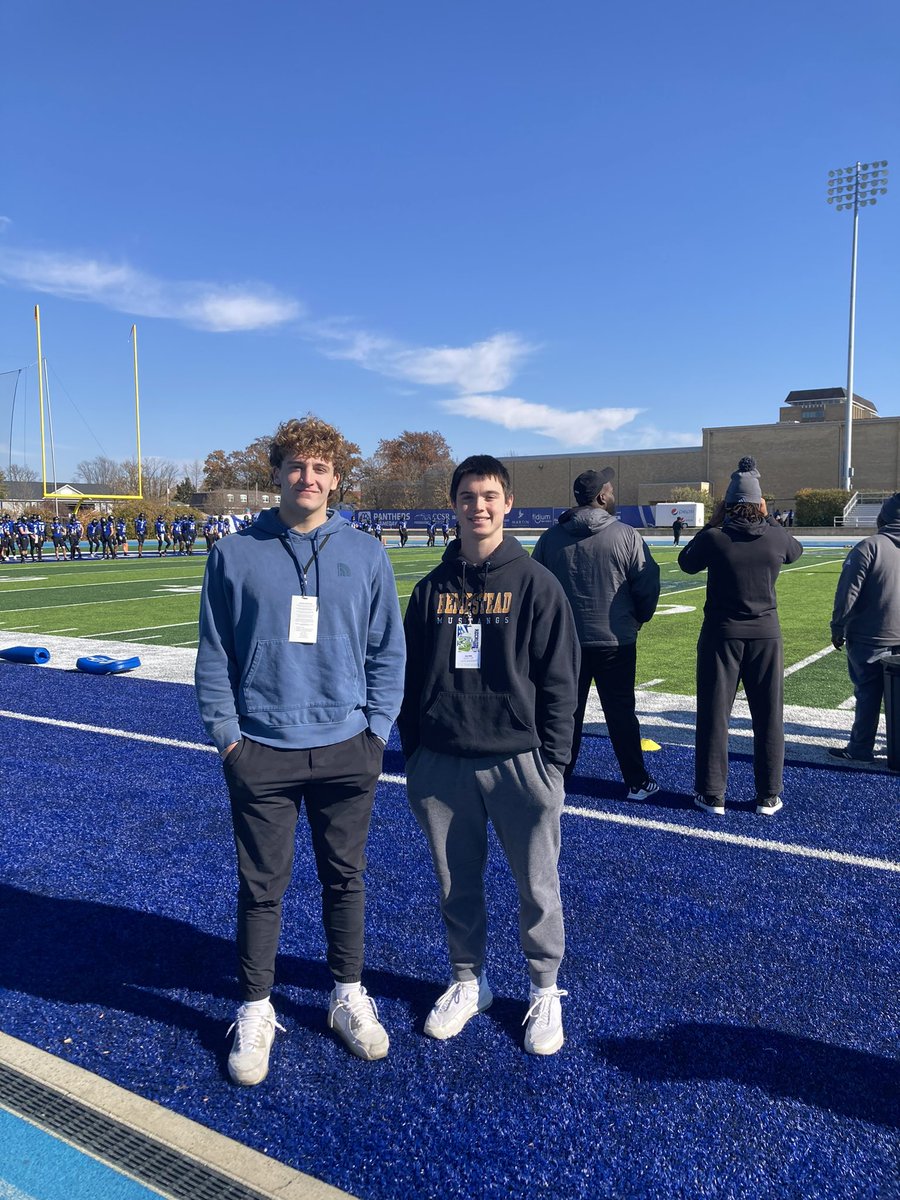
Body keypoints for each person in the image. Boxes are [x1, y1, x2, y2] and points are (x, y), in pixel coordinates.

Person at [196, 415, 405, 1084]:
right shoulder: (234, 553)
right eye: (296, 465)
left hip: (348, 746)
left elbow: (387, 652)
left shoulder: (367, 553)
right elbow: (214, 655)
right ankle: (256, 1007)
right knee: (262, 888)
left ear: (336, 478)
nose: (307, 477)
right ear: (278, 473)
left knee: (346, 878)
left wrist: (376, 730)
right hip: (262, 747)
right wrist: (229, 738)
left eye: (321, 467)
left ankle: (346, 992)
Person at [398, 454, 579, 1056]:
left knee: (537, 886)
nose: (478, 506)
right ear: (453, 505)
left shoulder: (536, 584)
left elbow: (561, 682)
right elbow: (408, 675)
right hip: (443, 762)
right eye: (467, 496)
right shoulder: (430, 590)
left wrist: (553, 764)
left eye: (489, 496)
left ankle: (545, 988)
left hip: (520, 761)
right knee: (457, 886)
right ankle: (467, 980)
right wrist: (416, 752)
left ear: (507, 503)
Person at [678, 456, 802, 816]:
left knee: (715, 716)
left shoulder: (716, 538)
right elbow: (795, 550)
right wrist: (770, 519)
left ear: (728, 504)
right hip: (766, 636)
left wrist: (713, 522)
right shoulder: (775, 535)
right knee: (768, 716)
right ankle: (769, 794)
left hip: (722, 635)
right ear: (760, 504)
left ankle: (712, 794)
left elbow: (687, 562)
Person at [533, 468, 661, 797]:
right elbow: (647, 584)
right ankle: (636, 780)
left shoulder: (550, 538)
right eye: (611, 490)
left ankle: (557, 777)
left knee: (563, 714)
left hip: (565, 644)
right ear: (602, 497)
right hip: (614, 641)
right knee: (620, 714)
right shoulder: (627, 536)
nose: (614, 494)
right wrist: (638, 619)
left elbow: (534, 590)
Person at [828, 492, 900, 762]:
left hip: (871, 635)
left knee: (868, 694)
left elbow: (848, 593)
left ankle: (860, 748)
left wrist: (837, 625)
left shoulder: (869, 547)